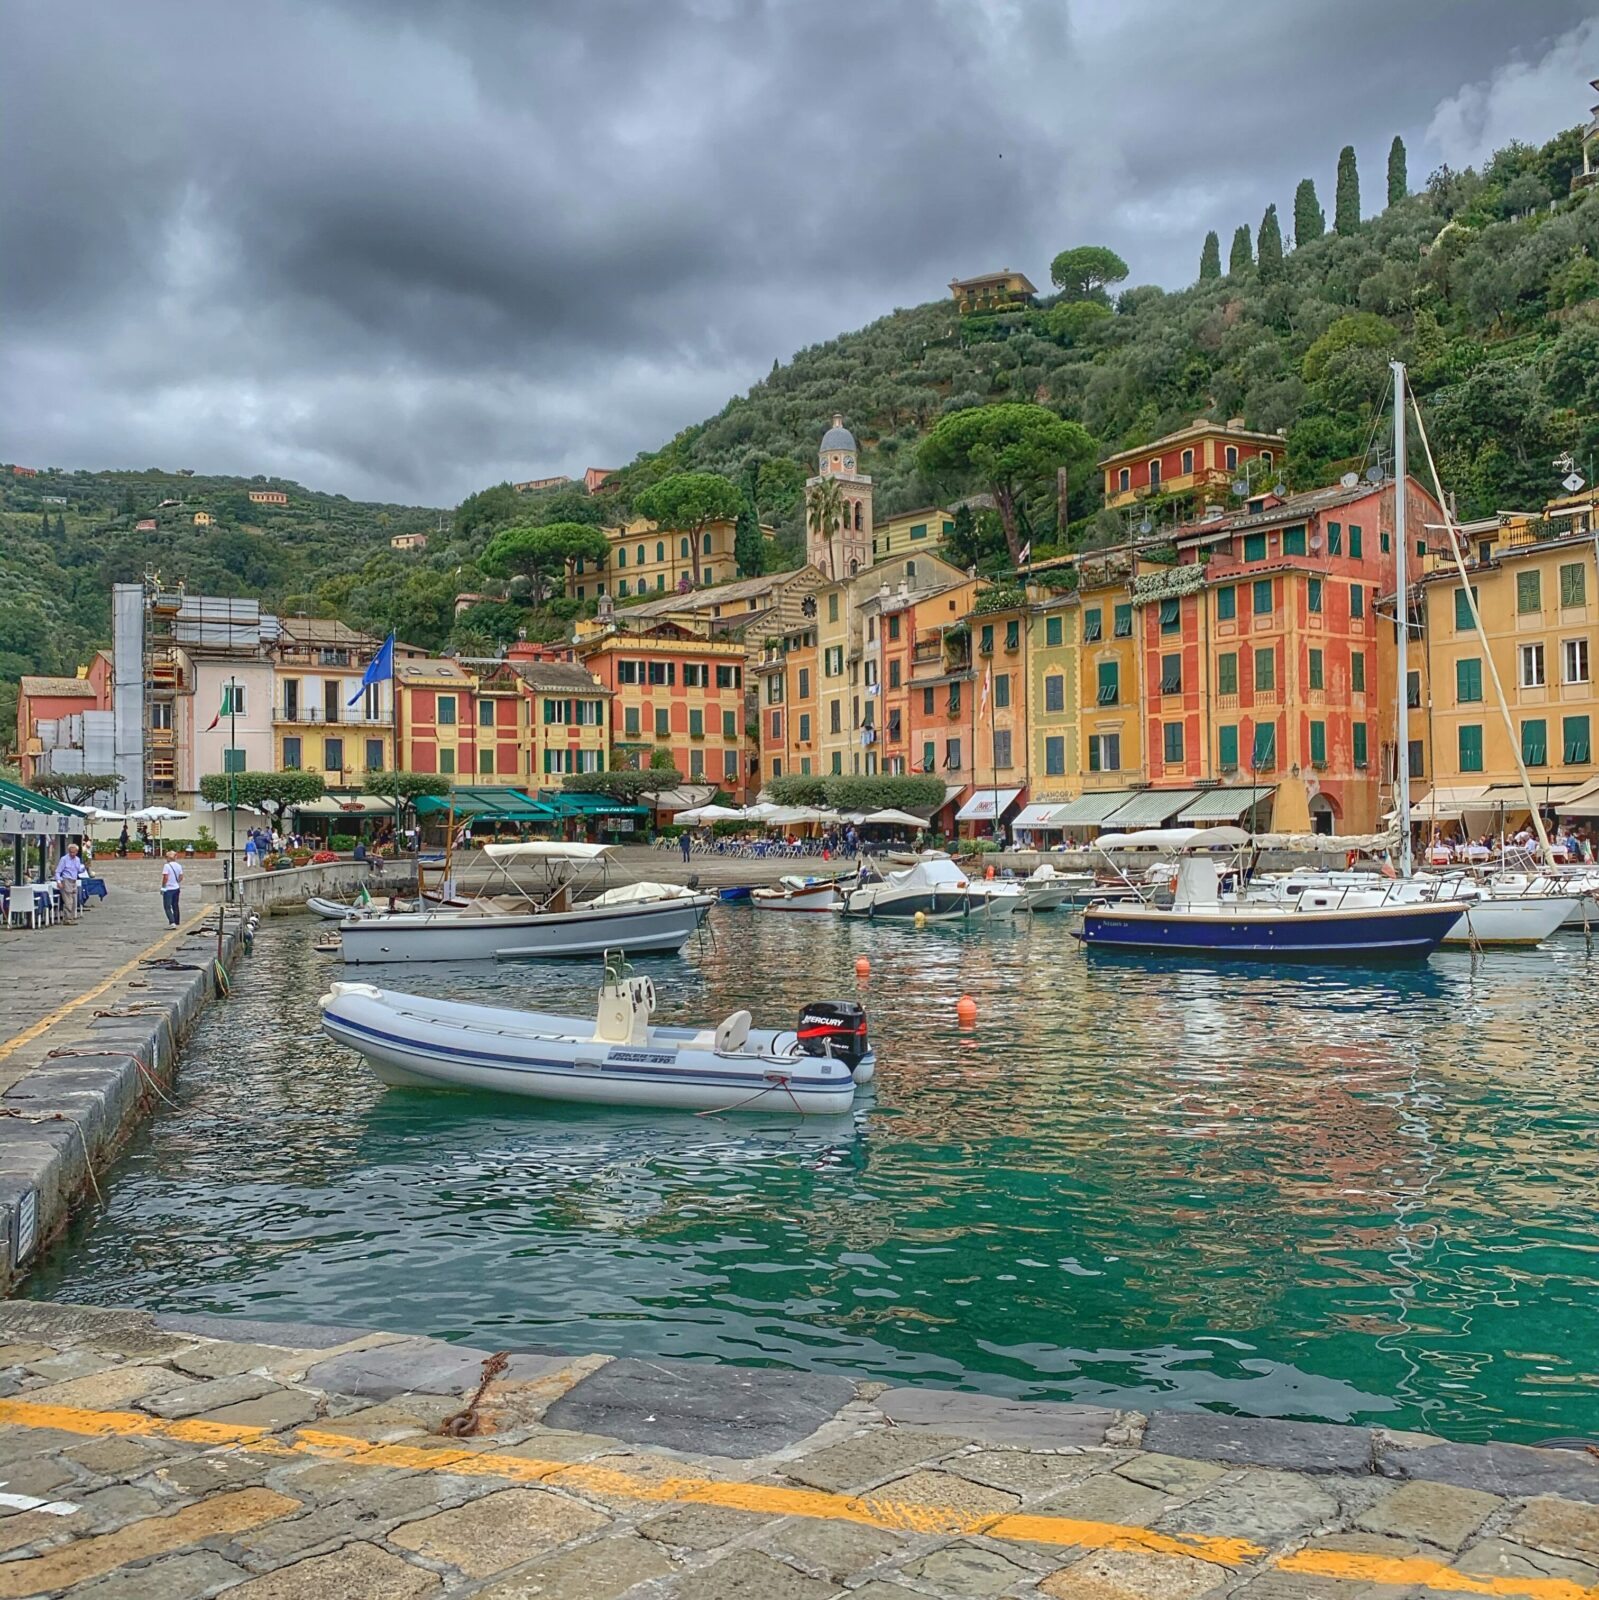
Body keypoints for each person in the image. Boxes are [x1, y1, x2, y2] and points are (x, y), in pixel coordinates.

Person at [55, 842, 87, 923]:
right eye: (71, 852)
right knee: (68, 901)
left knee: (74, 900)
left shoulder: (77, 859)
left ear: (77, 852)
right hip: (66, 880)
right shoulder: (64, 859)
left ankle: (72, 917)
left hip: (74, 880)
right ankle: (67, 919)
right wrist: (59, 881)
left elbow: (78, 870)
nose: (72, 854)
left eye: (74, 852)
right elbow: (58, 871)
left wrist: (84, 868)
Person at [160, 851, 183, 926]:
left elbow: (165, 877)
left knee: (167, 906)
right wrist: (176, 882)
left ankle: (172, 922)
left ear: (168, 858)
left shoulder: (167, 866)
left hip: (168, 889)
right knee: (175, 905)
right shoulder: (179, 866)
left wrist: (163, 887)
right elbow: (181, 877)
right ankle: (176, 921)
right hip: (176, 888)